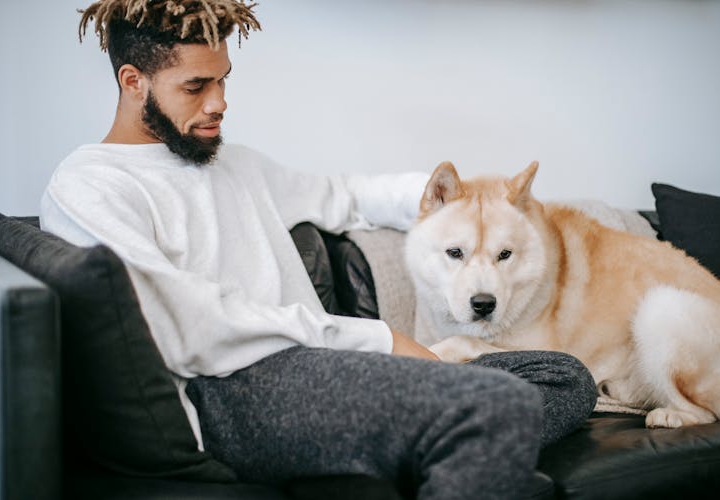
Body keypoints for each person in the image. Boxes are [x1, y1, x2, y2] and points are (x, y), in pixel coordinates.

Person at [41, 1, 597, 498]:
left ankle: (425, 446)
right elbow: (189, 327)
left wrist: (451, 205)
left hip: (318, 369)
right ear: (133, 80)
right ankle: (455, 436)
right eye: (196, 86)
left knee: (567, 379)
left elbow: (344, 195)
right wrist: (382, 339)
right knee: (499, 403)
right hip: (232, 388)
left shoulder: (236, 164)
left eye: (224, 81)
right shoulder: (90, 184)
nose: (220, 103)